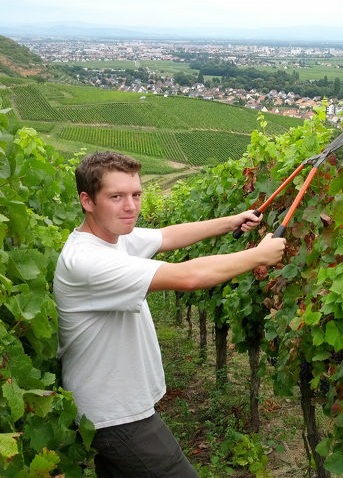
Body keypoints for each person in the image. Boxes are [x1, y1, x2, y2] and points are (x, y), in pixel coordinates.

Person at [53, 151, 286, 477]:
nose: (131, 206)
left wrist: (232, 220)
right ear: (87, 201)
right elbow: (188, 276)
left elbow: (168, 235)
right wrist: (258, 256)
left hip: (111, 412)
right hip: (118, 417)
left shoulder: (113, 238)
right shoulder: (88, 262)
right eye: (116, 197)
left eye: (136, 194)